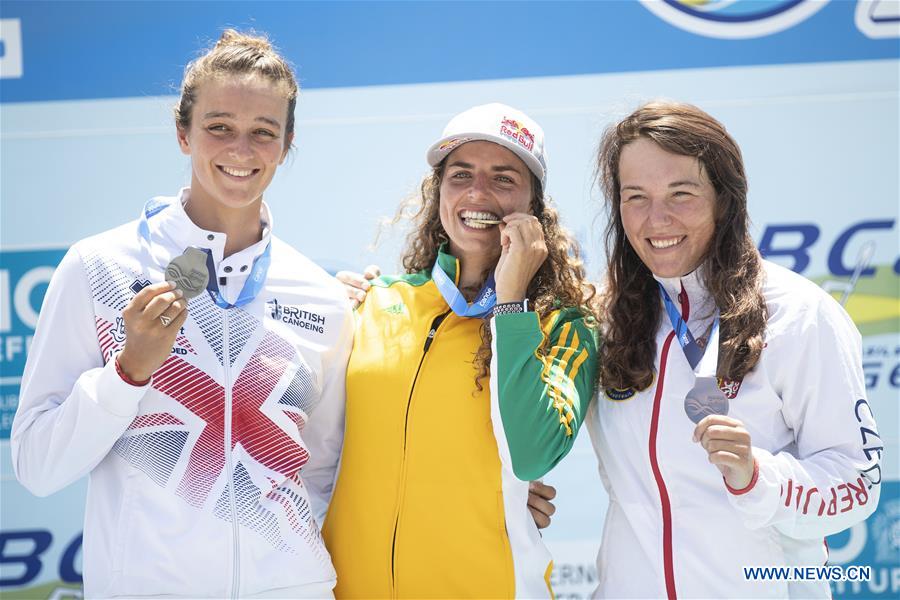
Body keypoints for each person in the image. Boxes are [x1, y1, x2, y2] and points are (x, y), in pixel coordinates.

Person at [11, 30, 353, 598]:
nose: (240, 150)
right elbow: (37, 466)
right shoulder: (99, 268)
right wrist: (126, 374)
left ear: (286, 145)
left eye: (263, 133)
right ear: (182, 133)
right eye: (219, 127)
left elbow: (322, 471)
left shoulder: (322, 296)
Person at [587, 100, 882, 598]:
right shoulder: (607, 316)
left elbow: (858, 482)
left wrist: (758, 477)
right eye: (635, 196)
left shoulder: (798, 313)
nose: (656, 218)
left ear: (724, 199)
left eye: (681, 193)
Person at [322, 103, 599, 598]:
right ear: (438, 193)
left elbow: (532, 457)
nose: (478, 193)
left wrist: (512, 302)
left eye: (503, 178)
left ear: (534, 205)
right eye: (461, 175)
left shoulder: (562, 327)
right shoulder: (375, 301)